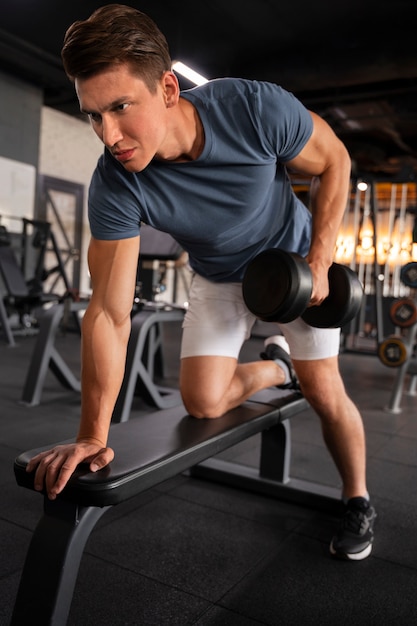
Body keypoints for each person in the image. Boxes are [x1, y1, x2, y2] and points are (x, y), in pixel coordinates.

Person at [27, 3, 376, 560]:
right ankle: (275, 364)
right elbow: (110, 314)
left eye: (120, 107)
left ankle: (357, 497)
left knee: (324, 391)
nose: (109, 134)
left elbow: (334, 159)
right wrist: (94, 434)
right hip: (217, 277)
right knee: (202, 403)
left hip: (290, 269)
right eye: (94, 116)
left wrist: (318, 260)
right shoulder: (116, 185)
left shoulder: (253, 109)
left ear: (168, 88)